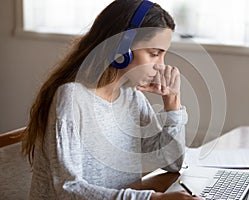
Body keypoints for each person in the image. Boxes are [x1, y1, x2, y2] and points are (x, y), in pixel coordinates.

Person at [22, 0, 203, 199]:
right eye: (153, 54)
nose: (161, 66)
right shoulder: (72, 98)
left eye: (163, 55)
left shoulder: (132, 97)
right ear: (122, 48)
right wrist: (153, 199)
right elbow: (68, 189)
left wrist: (173, 102)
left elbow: (172, 161)